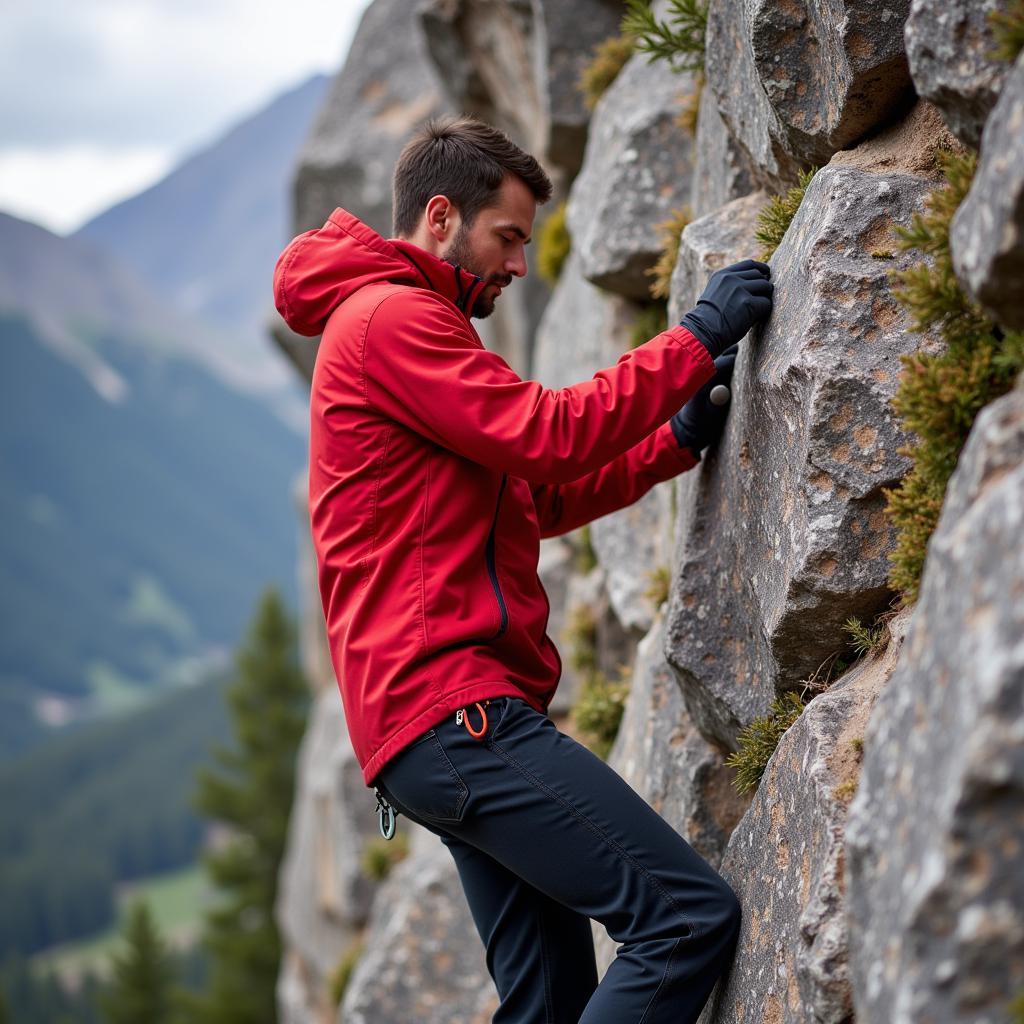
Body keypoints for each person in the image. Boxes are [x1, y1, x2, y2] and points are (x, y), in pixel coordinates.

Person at [274, 115, 772, 1023]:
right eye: (507, 237)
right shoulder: (393, 320)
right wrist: (695, 337)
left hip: (431, 727)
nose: (516, 265)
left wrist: (669, 442)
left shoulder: (400, 323)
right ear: (439, 216)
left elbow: (527, 503)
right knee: (683, 919)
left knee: (545, 1004)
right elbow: (547, 435)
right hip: (455, 709)